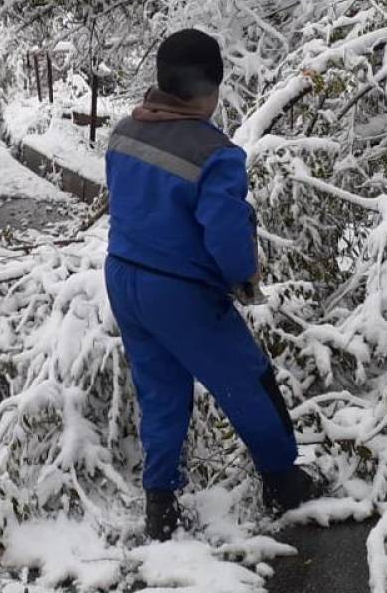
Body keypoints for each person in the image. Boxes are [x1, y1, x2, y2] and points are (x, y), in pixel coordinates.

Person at [104, 28, 324, 541]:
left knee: (161, 394)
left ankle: (161, 508)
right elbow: (226, 234)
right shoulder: (216, 153)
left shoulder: (122, 133)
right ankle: (284, 484)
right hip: (182, 295)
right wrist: (243, 278)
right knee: (248, 382)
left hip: (123, 279)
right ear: (212, 86)